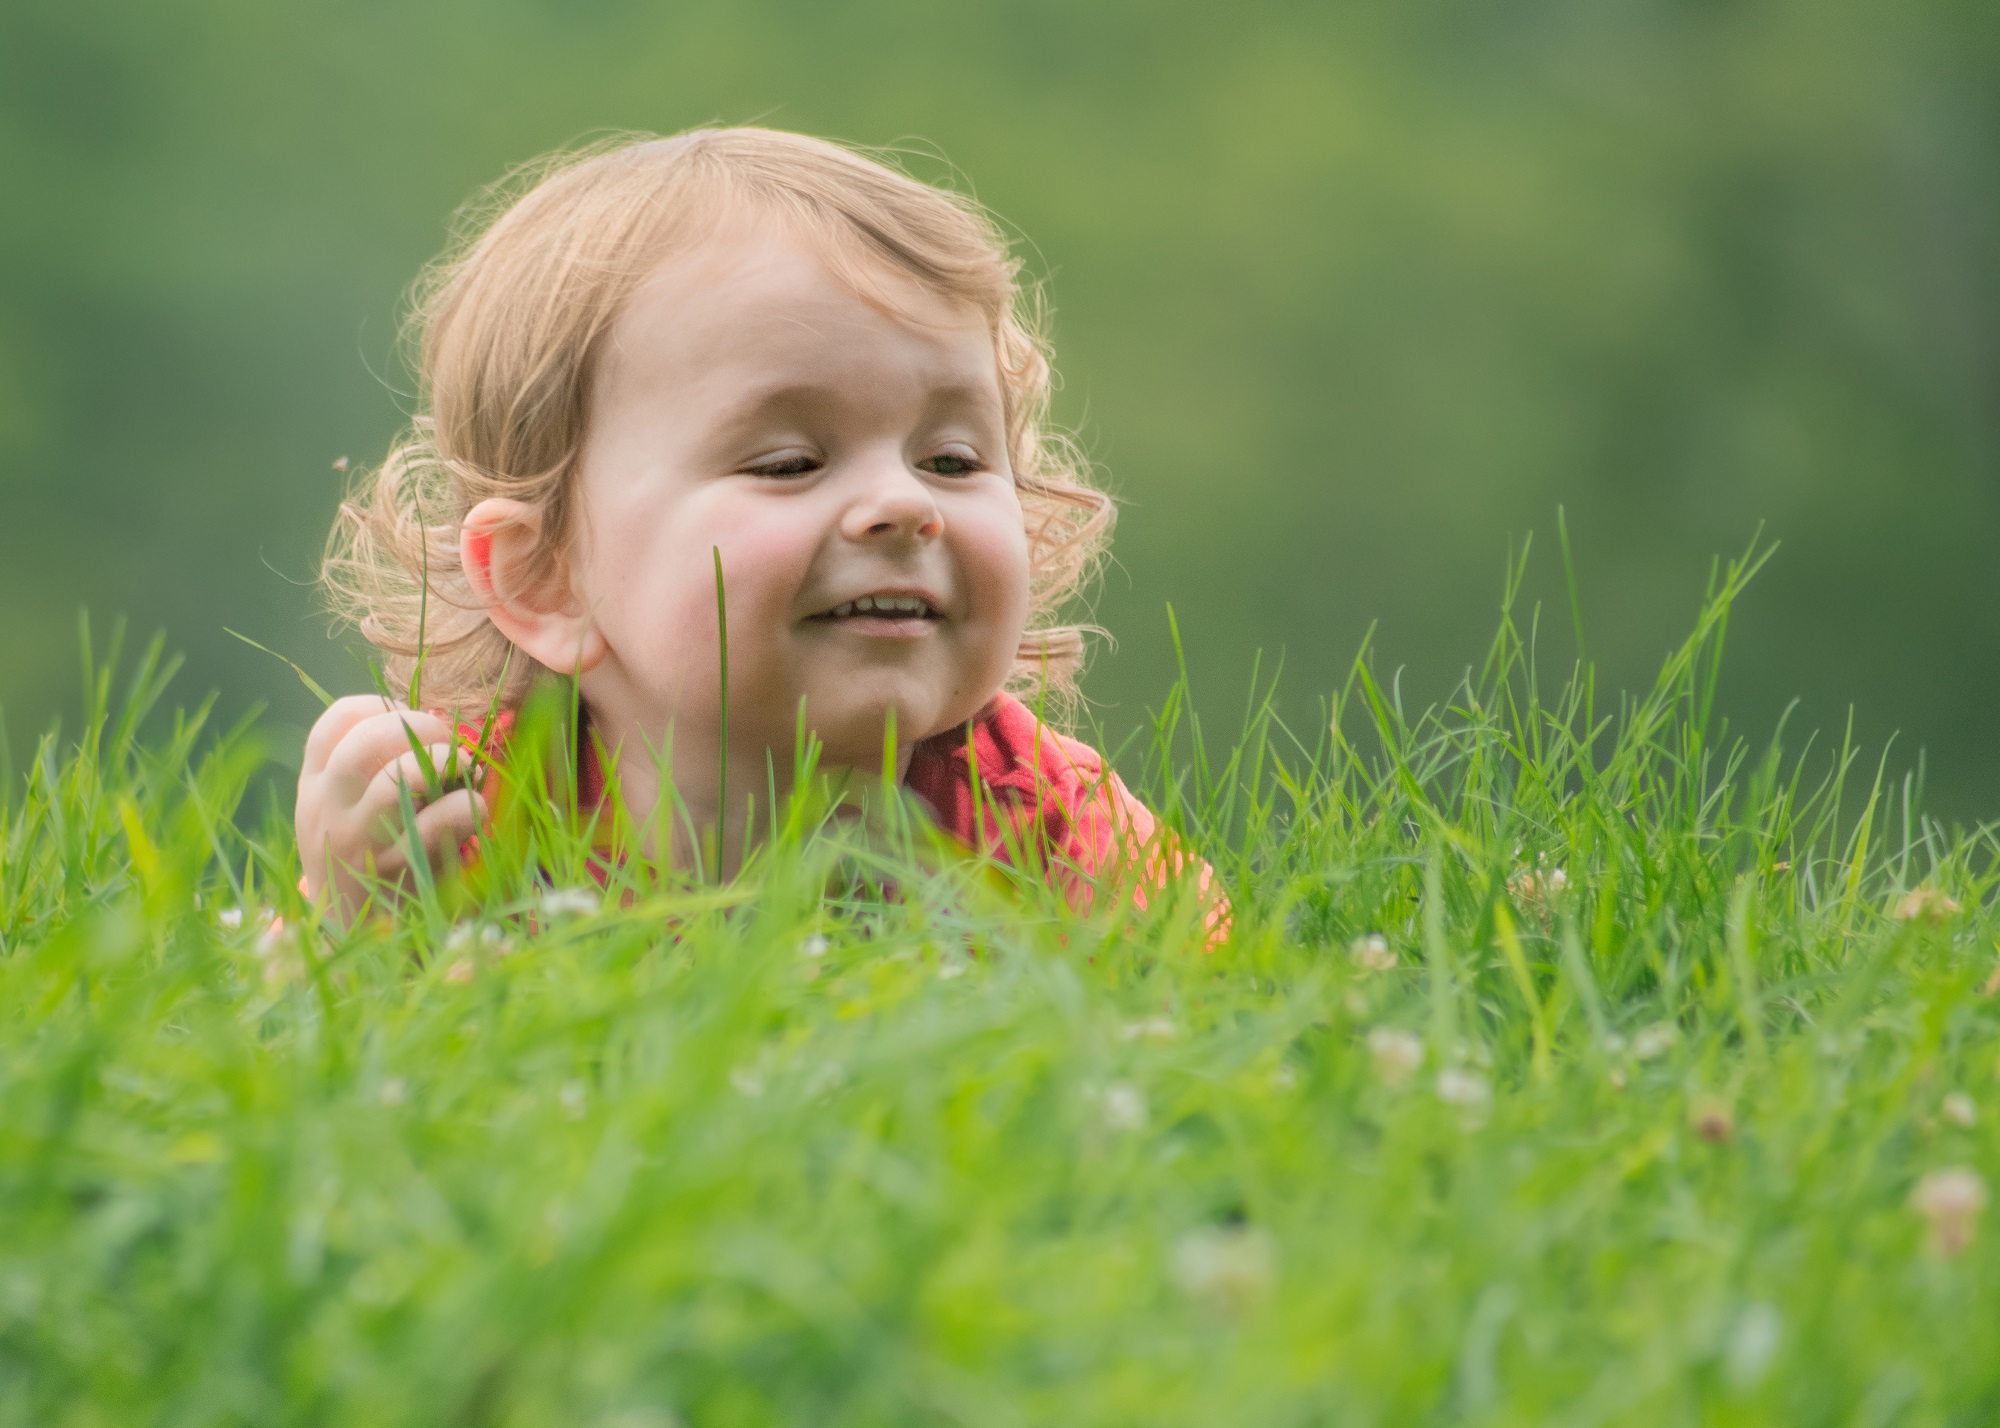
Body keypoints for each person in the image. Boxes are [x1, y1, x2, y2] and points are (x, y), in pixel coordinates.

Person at [295, 127, 1206, 925]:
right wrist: (353, 916)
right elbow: (298, 1056)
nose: (905, 503)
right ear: (548, 579)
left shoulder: (1038, 817)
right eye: (789, 465)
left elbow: (1220, 1029)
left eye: (955, 461)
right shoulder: (467, 816)